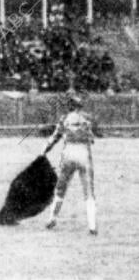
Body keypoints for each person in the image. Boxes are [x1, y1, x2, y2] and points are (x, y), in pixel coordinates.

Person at [41, 95, 101, 235]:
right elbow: (94, 136)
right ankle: (92, 226)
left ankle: (52, 218)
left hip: (68, 153)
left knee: (61, 188)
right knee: (89, 191)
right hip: (84, 154)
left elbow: (54, 138)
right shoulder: (88, 118)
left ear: (69, 106)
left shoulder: (64, 119)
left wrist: (44, 151)